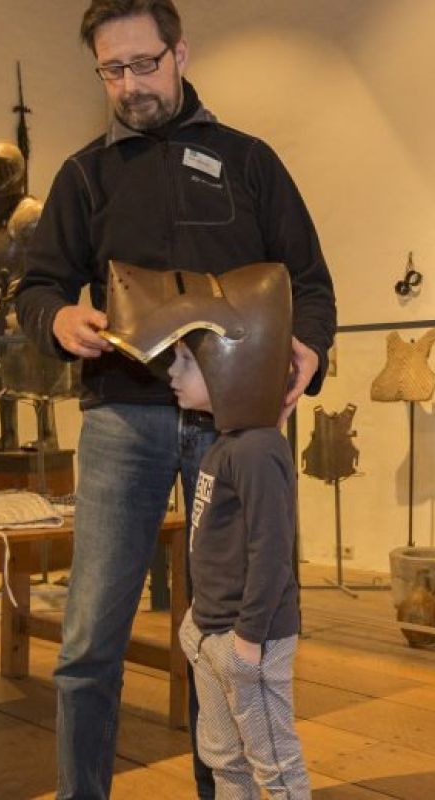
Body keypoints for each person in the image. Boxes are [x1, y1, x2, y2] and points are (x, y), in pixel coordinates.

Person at [12, 1, 336, 797]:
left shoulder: (251, 162)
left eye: (144, 63)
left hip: (234, 424)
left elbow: (310, 284)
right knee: (90, 637)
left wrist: (311, 347)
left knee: (220, 633)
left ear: (180, 52)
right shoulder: (83, 174)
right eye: (112, 70)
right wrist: (56, 317)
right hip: (122, 418)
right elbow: (36, 286)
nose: (130, 84)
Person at [161, 262, 308, 800]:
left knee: (274, 765)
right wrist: (197, 624)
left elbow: (273, 551)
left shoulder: (257, 448)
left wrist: (247, 637)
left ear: (228, 363)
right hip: (212, 632)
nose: (172, 375)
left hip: (253, 638)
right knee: (224, 759)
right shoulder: (226, 443)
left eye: (184, 362)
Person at [0, 142, 77, 452]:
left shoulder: (33, 213)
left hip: (28, 305)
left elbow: (51, 262)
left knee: (38, 370)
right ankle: (7, 434)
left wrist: (26, 282)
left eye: (3, 168)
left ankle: (46, 434)